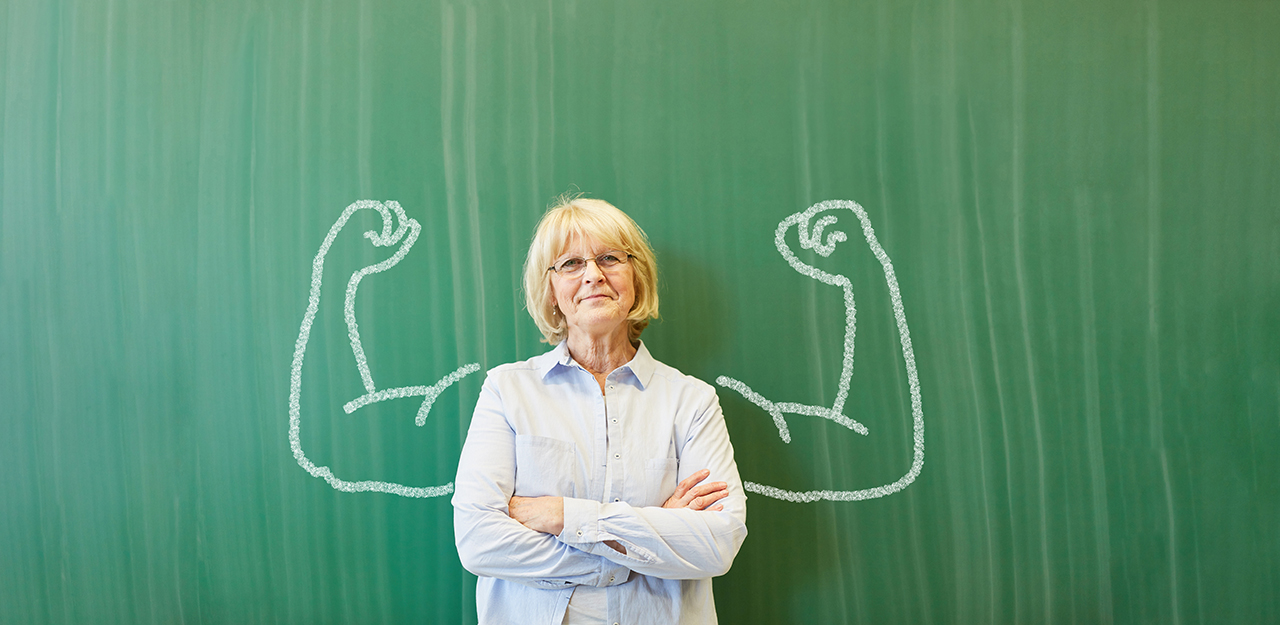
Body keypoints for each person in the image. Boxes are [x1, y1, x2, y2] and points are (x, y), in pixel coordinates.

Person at [452, 196, 748, 624]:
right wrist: (643, 542)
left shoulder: (692, 401)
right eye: (570, 264)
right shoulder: (507, 390)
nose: (593, 275)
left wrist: (562, 515)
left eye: (610, 258)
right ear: (551, 290)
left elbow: (717, 544)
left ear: (636, 279)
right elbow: (479, 541)